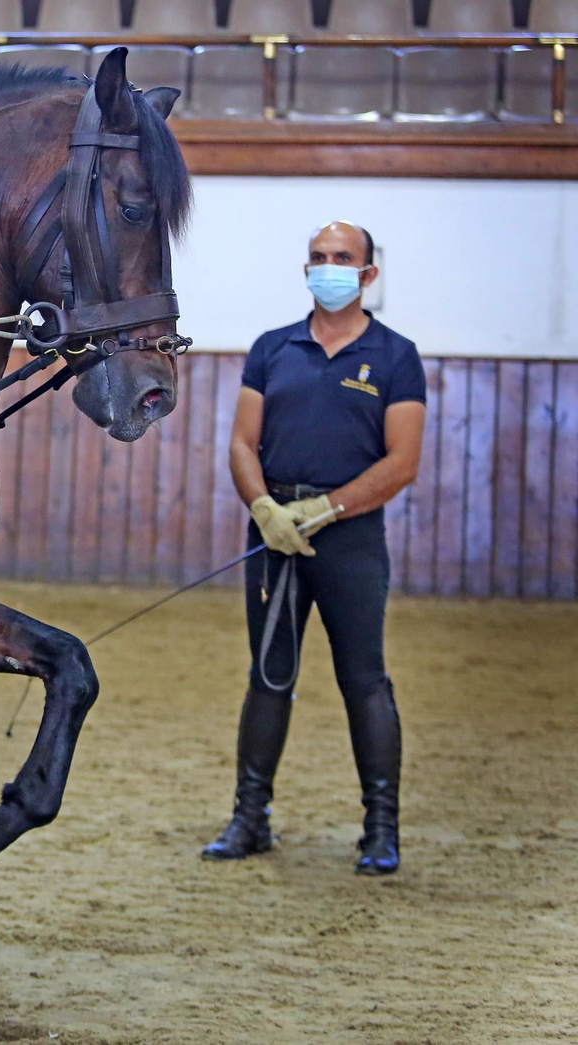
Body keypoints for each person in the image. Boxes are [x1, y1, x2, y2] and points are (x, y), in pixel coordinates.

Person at [202, 221, 426, 875]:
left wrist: (328, 507)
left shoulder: (395, 356)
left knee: (365, 680)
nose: (328, 267)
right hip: (275, 535)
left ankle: (381, 830)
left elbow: (403, 460)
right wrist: (264, 508)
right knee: (269, 675)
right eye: (319, 257)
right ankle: (249, 818)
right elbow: (244, 442)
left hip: (349, 537)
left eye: (342, 258)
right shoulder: (274, 348)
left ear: (368, 274)